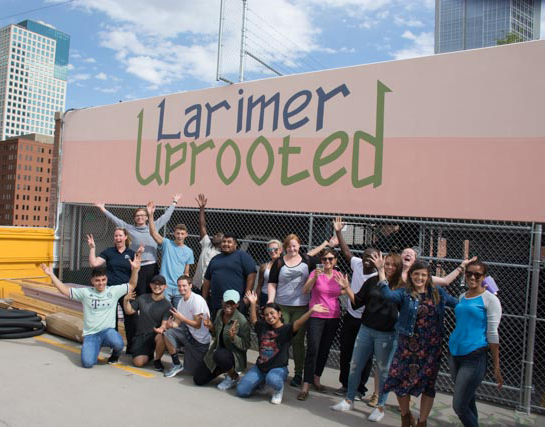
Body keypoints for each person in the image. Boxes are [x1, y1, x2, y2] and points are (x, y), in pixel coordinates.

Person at [379, 259, 458, 427]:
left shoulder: (437, 293)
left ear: (428, 276)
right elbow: (387, 295)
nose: (420, 278)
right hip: (407, 346)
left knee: (428, 385)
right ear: (410, 276)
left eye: (423, 275)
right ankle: (406, 416)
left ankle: (422, 422)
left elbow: (458, 304)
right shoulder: (404, 293)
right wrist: (381, 271)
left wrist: (481, 297)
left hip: (431, 347)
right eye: (416, 274)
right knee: (399, 379)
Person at [331, 252, 404, 424]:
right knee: (355, 365)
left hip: (386, 334)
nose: (389, 267)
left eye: (393, 265)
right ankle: (349, 400)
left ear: (398, 267)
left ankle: (380, 407)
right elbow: (357, 302)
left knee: (383, 371)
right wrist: (347, 287)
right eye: (387, 264)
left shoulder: (401, 286)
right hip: (366, 329)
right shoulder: (372, 281)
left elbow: (400, 306)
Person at [40, 251, 141, 368]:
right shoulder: (85, 293)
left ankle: (114, 355)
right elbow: (65, 291)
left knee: (118, 343)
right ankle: (95, 346)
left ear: (106, 279)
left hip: (107, 331)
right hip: (91, 334)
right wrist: (51, 275)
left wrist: (135, 270)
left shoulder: (113, 291)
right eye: (97, 280)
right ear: (92, 281)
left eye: (103, 280)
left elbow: (132, 285)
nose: (101, 283)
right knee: (87, 363)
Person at [236, 291, 328, 404]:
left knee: (273, 379)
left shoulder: (286, 329)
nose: (269, 317)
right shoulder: (262, 326)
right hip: (260, 368)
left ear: (279, 314)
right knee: (242, 391)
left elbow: (299, 322)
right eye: (266, 315)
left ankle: (278, 389)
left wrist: (311, 311)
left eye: (272, 313)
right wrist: (253, 303)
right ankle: (261, 383)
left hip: (278, 368)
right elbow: (254, 320)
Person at [449, 259, 503, 427]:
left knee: (459, 406)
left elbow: (493, 334)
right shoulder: (462, 296)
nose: (472, 277)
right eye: (469, 273)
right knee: (468, 399)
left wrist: (496, 366)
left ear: (484, 277)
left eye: (477, 274)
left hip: (474, 356)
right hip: (454, 353)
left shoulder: (490, 300)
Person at [94, 194, 180, 295]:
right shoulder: (129, 228)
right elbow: (115, 219)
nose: (140, 218)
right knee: (139, 293)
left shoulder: (154, 226)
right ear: (134, 218)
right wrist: (102, 209)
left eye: (142, 215)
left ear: (147, 217)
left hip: (151, 266)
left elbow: (166, 217)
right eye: (137, 216)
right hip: (136, 267)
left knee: (153, 292)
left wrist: (174, 202)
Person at [332, 217, 377, 401]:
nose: (367, 259)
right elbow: (345, 251)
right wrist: (338, 232)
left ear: (377, 260)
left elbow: (361, 301)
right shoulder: (357, 263)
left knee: (365, 356)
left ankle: (360, 388)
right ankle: (345, 384)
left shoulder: (378, 276)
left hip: (366, 320)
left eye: (372, 257)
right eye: (366, 255)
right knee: (346, 350)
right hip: (351, 316)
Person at [267, 233, 317, 387]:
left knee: (297, 341)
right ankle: (279, 369)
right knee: (281, 339)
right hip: (282, 305)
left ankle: (298, 374)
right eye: (289, 246)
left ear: (299, 246)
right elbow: (272, 283)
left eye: (294, 245)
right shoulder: (279, 262)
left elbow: (318, 277)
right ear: (285, 247)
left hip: (301, 306)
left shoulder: (308, 261)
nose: (292, 248)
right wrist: (270, 301)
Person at [297, 248, 343, 401]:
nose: (328, 262)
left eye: (331, 259)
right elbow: (305, 290)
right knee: (313, 349)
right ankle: (306, 384)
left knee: (324, 349)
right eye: (324, 259)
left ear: (335, 260)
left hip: (333, 316)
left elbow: (342, 291)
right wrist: (314, 278)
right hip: (316, 315)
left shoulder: (338, 275)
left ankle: (317, 378)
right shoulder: (315, 273)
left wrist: (345, 288)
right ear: (321, 261)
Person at [87, 229, 137, 352]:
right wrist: (92, 248)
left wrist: (132, 289)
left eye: (120, 235)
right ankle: (114, 346)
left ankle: (131, 347)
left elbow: (135, 272)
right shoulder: (108, 252)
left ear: (125, 237)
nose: (118, 238)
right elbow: (94, 264)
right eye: (116, 236)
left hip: (125, 290)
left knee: (130, 318)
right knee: (111, 319)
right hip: (110, 290)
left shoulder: (132, 253)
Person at [193, 290, 251, 390]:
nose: (229, 305)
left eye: (232, 303)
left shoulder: (242, 321)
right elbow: (216, 334)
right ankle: (223, 368)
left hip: (233, 355)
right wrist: (211, 327)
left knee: (219, 355)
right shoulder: (220, 313)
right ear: (222, 302)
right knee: (198, 379)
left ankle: (233, 377)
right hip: (217, 352)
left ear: (237, 304)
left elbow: (246, 345)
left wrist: (234, 338)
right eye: (226, 302)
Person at [157, 275, 211, 377]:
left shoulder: (197, 300)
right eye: (179, 286)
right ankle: (177, 364)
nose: (181, 288)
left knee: (193, 373)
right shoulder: (181, 301)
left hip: (200, 341)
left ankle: (206, 356)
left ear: (190, 285)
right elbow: (177, 323)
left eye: (184, 285)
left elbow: (197, 325)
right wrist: (170, 325)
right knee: (167, 333)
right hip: (189, 335)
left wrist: (182, 318)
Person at [147, 201, 194, 308]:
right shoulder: (167, 243)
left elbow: (186, 272)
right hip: (165, 286)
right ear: (174, 234)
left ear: (186, 235)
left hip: (179, 287)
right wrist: (150, 215)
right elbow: (153, 233)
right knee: (164, 311)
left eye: (182, 234)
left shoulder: (189, 251)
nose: (180, 236)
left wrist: (186, 287)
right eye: (178, 233)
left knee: (179, 313)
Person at [202, 233, 256, 320]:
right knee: (217, 328)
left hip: (235, 303)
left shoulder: (242, 256)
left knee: (234, 330)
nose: (226, 244)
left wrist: (246, 297)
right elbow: (207, 280)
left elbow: (252, 274)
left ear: (235, 244)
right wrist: (203, 299)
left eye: (229, 242)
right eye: (224, 241)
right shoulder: (215, 259)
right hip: (217, 303)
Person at [122, 274, 171, 370]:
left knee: (162, 336)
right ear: (150, 285)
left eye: (160, 284)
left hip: (155, 336)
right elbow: (129, 311)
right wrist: (125, 301)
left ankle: (157, 360)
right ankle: (149, 354)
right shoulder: (142, 298)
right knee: (138, 363)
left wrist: (161, 329)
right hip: (141, 336)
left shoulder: (167, 305)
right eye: (154, 284)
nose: (157, 286)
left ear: (165, 287)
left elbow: (164, 325)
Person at [193, 193, 223, 294]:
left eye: (218, 235)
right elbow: (202, 226)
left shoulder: (222, 255)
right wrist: (202, 209)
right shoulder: (207, 244)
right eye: (215, 234)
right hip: (197, 285)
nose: (214, 236)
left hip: (211, 288)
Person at [256, 239, 283, 308]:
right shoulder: (264, 266)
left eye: (275, 249)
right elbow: (260, 285)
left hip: (280, 297)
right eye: (270, 250)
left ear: (280, 250)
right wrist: (256, 301)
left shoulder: (285, 266)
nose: (273, 251)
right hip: (265, 295)